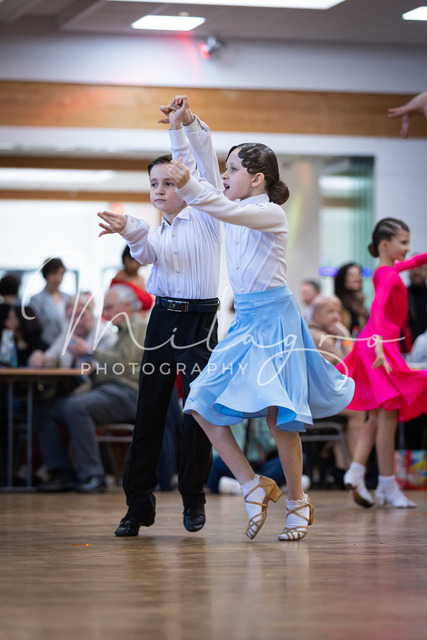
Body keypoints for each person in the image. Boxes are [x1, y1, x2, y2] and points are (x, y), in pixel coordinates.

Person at [165, 95, 355, 542]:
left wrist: (192, 184)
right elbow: (199, 169)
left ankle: (297, 501)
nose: (224, 175)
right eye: (225, 169)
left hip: (277, 318)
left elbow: (216, 200)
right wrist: (182, 124)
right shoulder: (232, 201)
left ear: (257, 178)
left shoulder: (268, 212)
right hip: (246, 321)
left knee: (278, 417)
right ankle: (252, 485)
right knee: (200, 402)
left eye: (232, 170)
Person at [97, 97, 222, 535]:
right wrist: (128, 227)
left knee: (198, 413)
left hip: (200, 324)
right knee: (148, 412)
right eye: (154, 183)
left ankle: (193, 498)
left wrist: (179, 126)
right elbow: (145, 250)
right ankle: (138, 506)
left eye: (168, 183)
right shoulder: (157, 232)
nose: (159, 189)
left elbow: (197, 162)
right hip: (163, 321)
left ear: (185, 185)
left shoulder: (207, 215)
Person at [337, 218, 427, 508]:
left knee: (378, 416)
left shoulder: (388, 269)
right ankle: (387, 485)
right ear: (385, 245)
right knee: (388, 414)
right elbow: (377, 306)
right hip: (379, 345)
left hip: (377, 344)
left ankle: (356, 471)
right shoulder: (387, 274)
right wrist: (378, 344)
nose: (408, 248)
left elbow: (415, 262)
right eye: (403, 242)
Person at [36, 285, 147, 493]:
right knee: (46, 410)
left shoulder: (135, 327)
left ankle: (93, 475)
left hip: (128, 393)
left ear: (127, 306)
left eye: (110, 307)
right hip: (109, 389)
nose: (106, 313)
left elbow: (122, 364)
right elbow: (111, 368)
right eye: (105, 308)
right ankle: (61, 472)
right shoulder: (120, 331)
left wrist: (88, 352)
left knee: (76, 407)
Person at [308, 295, 367, 471]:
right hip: (312, 401)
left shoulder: (315, 334)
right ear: (316, 315)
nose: (336, 317)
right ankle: (355, 469)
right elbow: (349, 366)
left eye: (339, 312)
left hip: (313, 397)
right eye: (331, 312)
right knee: (358, 410)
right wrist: (346, 336)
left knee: (350, 408)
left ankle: (342, 466)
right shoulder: (320, 338)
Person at [28, 257, 70, 347]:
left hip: (68, 345)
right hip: (47, 345)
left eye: (61, 274)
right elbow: (34, 328)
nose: (58, 278)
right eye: (54, 273)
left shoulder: (69, 298)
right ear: (46, 275)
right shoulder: (36, 300)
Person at [111, 245, 154, 313]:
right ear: (125, 259)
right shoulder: (119, 280)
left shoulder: (141, 278)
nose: (135, 265)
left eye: (138, 261)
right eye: (132, 260)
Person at [334, 263, 368, 335]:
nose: (357, 279)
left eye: (359, 275)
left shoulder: (360, 302)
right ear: (343, 279)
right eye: (352, 275)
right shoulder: (336, 303)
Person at [406, 258, 427, 344]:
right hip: (407, 347)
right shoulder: (402, 295)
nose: (417, 272)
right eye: (413, 268)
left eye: (421, 268)